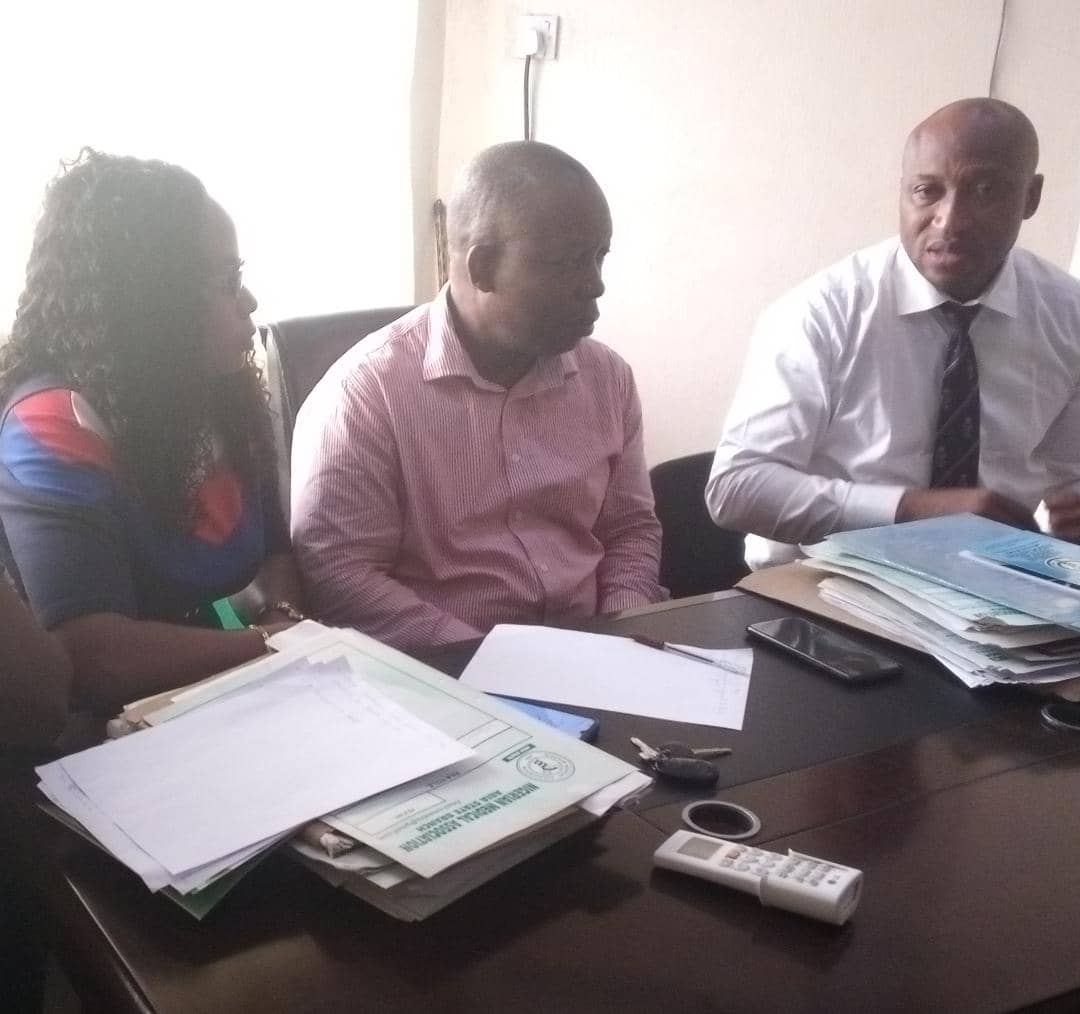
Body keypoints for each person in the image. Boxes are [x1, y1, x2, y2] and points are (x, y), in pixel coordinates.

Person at [291, 141, 664, 652]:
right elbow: (340, 574)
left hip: (594, 652)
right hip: (444, 668)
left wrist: (621, 633)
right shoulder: (366, 394)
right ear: (483, 267)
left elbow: (630, 529)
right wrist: (489, 662)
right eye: (567, 263)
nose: (595, 285)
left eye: (599, 257)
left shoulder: (607, 379)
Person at [708, 98, 1080, 569]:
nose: (950, 220)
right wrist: (909, 510)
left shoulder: (1068, 316)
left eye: (985, 190)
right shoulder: (822, 313)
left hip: (1000, 583)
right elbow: (735, 489)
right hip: (819, 583)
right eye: (927, 192)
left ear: (1031, 197)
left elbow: (1069, 480)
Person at [0, 150, 304, 713]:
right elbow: (94, 655)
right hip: (113, 730)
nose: (249, 301)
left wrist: (278, 619)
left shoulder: (218, 392)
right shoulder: (50, 426)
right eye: (228, 280)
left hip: (228, 690)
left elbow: (274, 554)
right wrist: (267, 644)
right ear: (153, 298)